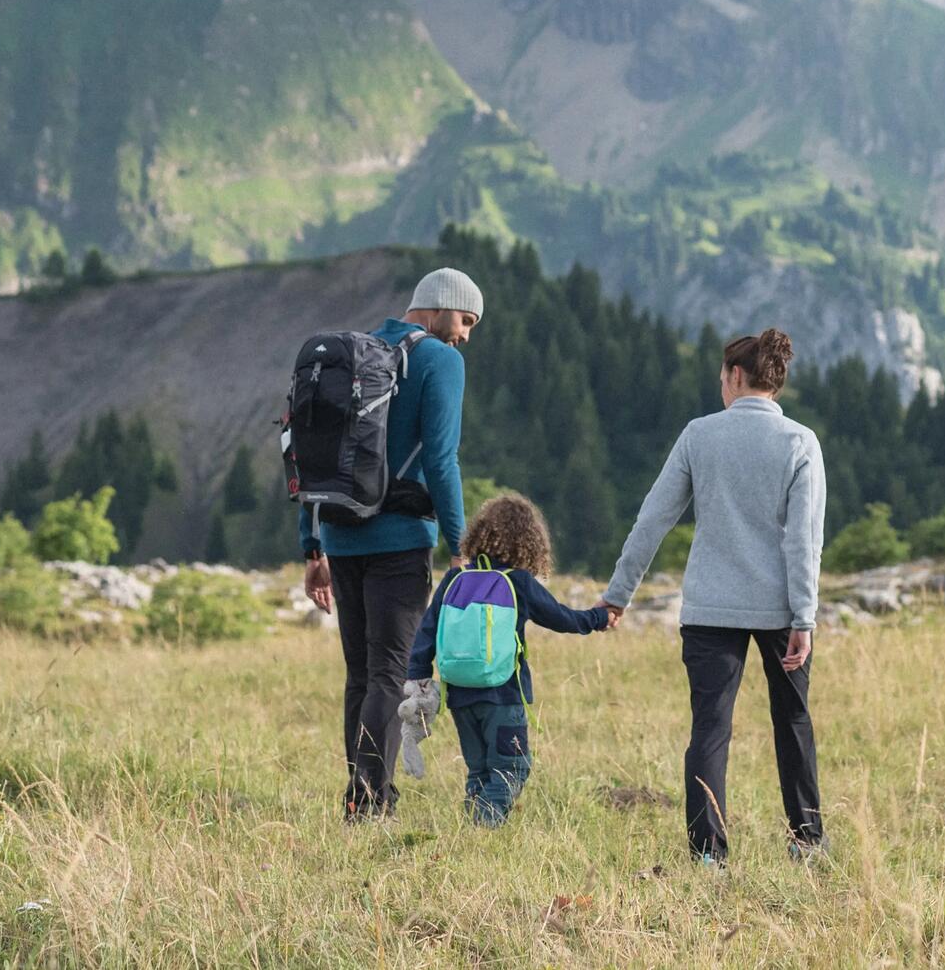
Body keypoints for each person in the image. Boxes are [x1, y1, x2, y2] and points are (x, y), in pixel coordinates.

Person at [601, 328, 828, 863]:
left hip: (709, 608)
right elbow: (803, 540)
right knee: (792, 721)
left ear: (735, 375)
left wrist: (619, 594)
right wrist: (805, 616)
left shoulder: (699, 436)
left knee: (710, 728)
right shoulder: (800, 442)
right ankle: (807, 844)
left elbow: (653, 519)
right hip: (780, 610)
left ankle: (708, 854)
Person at [301, 266, 482, 821]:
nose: (466, 334)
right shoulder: (439, 360)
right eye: (466, 319)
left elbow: (313, 451)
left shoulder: (350, 355)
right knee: (390, 674)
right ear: (439, 305)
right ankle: (370, 801)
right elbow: (441, 459)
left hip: (338, 533)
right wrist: (460, 545)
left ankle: (364, 790)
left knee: (360, 673)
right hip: (400, 539)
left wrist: (312, 546)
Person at [405, 494, 616, 826]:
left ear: (478, 535)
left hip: (459, 694)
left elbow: (426, 631)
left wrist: (417, 677)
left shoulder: (454, 579)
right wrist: (599, 619)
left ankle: (474, 837)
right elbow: (561, 618)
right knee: (512, 767)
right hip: (503, 695)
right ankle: (484, 826)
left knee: (480, 770)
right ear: (528, 542)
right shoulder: (518, 582)